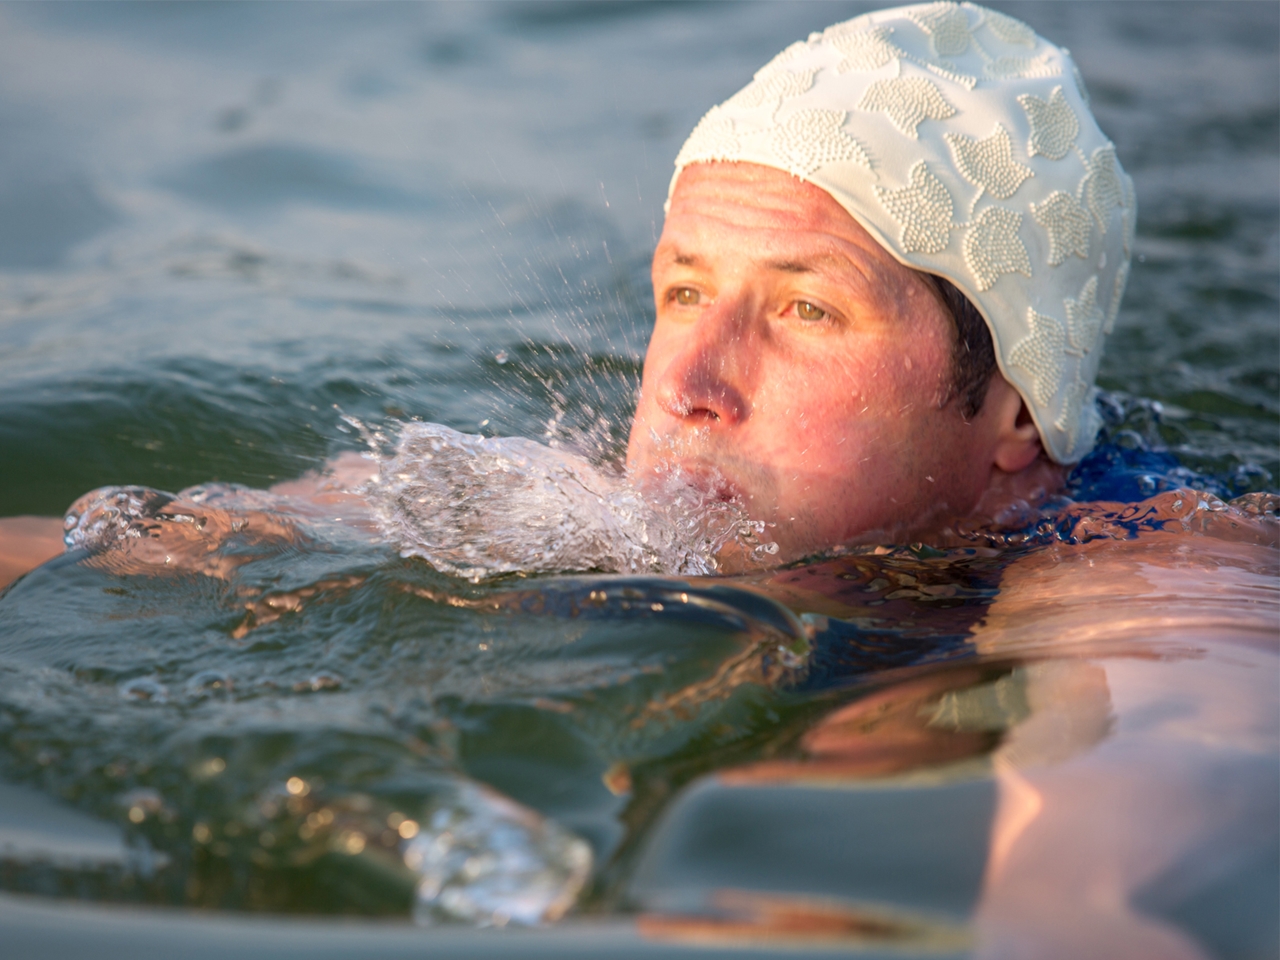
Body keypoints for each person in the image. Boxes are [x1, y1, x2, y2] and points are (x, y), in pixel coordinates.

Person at [0, 2, 1132, 585]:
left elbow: (1127, 831)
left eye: (804, 309)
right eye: (683, 293)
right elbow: (114, 545)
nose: (687, 388)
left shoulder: (1133, 581)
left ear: (1015, 413)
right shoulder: (554, 509)